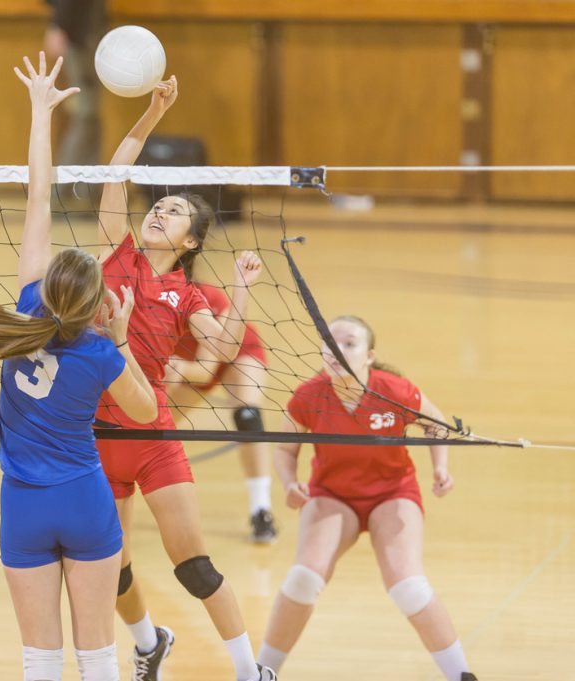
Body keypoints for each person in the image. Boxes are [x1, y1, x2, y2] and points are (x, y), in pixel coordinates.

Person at [0, 52, 157, 681]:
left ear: (48, 291)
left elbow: (38, 195)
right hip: (83, 499)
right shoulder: (100, 353)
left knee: (39, 658)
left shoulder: (20, 317)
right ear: (98, 307)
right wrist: (122, 342)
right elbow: (147, 412)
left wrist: (41, 110)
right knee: (97, 651)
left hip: (23, 504)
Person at [91, 78, 276, 681]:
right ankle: (149, 642)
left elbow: (222, 346)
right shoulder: (115, 255)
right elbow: (116, 174)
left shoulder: (188, 291)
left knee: (192, 566)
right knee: (111, 568)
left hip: (150, 436)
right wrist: (152, 112)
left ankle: (251, 671)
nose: (158, 210)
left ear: (190, 240)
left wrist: (242, 292)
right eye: (159, 204)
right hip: (96, 435)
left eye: (174, 211)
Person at [256, 315, 478, 681]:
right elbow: (285, 450)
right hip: (331, 495)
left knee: (408, 585)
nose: (338, 350)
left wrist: (440, 468)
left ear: (369, 356)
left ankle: (461, 675)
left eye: (349, 343)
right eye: (331, 342)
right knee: (302, 580)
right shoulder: (309, 395)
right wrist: (289, 483)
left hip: (392, 493)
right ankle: (261, 674)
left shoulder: (395, 390)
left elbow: (436, 426)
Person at [167, 282, 278, 544]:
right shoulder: (142, 300)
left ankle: (260, 509)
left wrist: (174, 368)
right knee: (146, 428)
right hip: (188, 365)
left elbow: (206, 369)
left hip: (234, 354)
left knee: (248, 416)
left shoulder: (206, 296)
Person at [43, 0, 106, 166]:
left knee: (85, 115)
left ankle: (66, 185)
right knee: (86, 115)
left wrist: (58, 25)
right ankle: (71, 184)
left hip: (82, 34)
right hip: (82, 34)